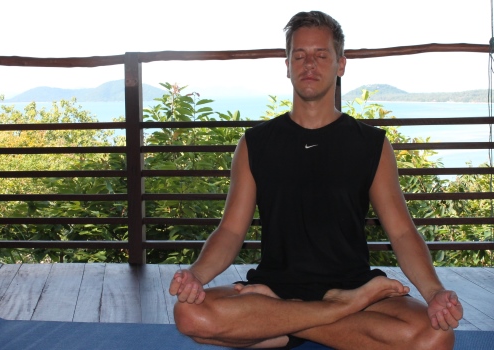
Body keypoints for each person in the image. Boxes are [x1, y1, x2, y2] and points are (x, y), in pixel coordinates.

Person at [169, 10, 463, 350]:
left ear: (340, 64)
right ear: (287, 65)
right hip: (275, 285)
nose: (310, 64)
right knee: (190, 316)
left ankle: (282, 325)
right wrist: (197, 275)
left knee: (437, 338)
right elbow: (232, 231)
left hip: (349, 285)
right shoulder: (255, 144)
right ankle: (332, 312)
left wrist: (435, 292)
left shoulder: (372, 145)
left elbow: (401, 232)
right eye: (300, 55)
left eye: (321, 55)